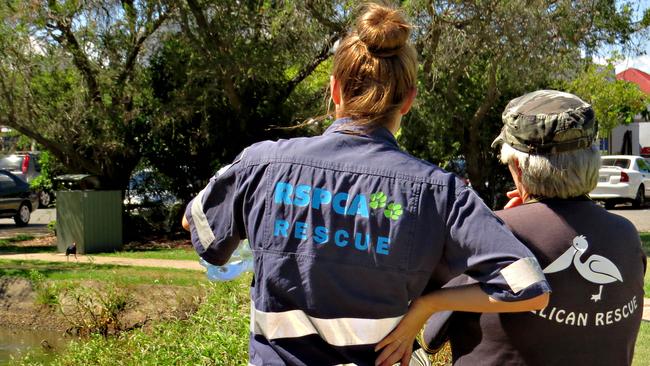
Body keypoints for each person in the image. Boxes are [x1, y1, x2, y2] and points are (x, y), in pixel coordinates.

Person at [182, 4, 550, 365]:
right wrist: (427, 305)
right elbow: (527, 288)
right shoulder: (441, 193)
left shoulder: (260, 165)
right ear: (408, 100)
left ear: (335, 89)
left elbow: (197, 225)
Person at [418, 90, 647, 366]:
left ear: (519, 168)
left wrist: (502, 224)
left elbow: (429, 336)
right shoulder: (626, 236)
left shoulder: (494, 234)